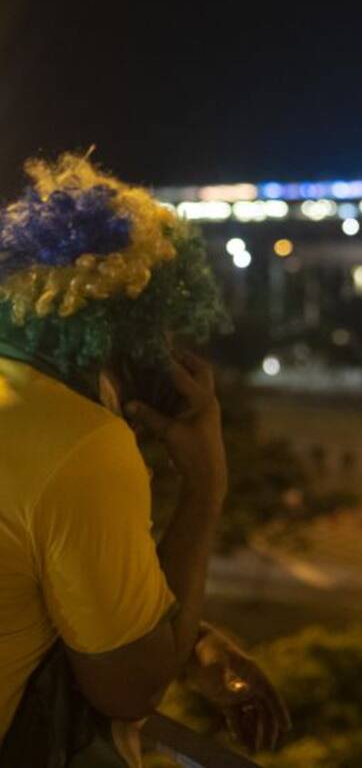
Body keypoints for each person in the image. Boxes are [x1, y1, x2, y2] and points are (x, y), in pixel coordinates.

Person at [0, 153, 289, 764]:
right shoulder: (80, 442)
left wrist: (198, 644)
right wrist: (205, 487)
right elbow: (131, 688)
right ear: (129, 329)